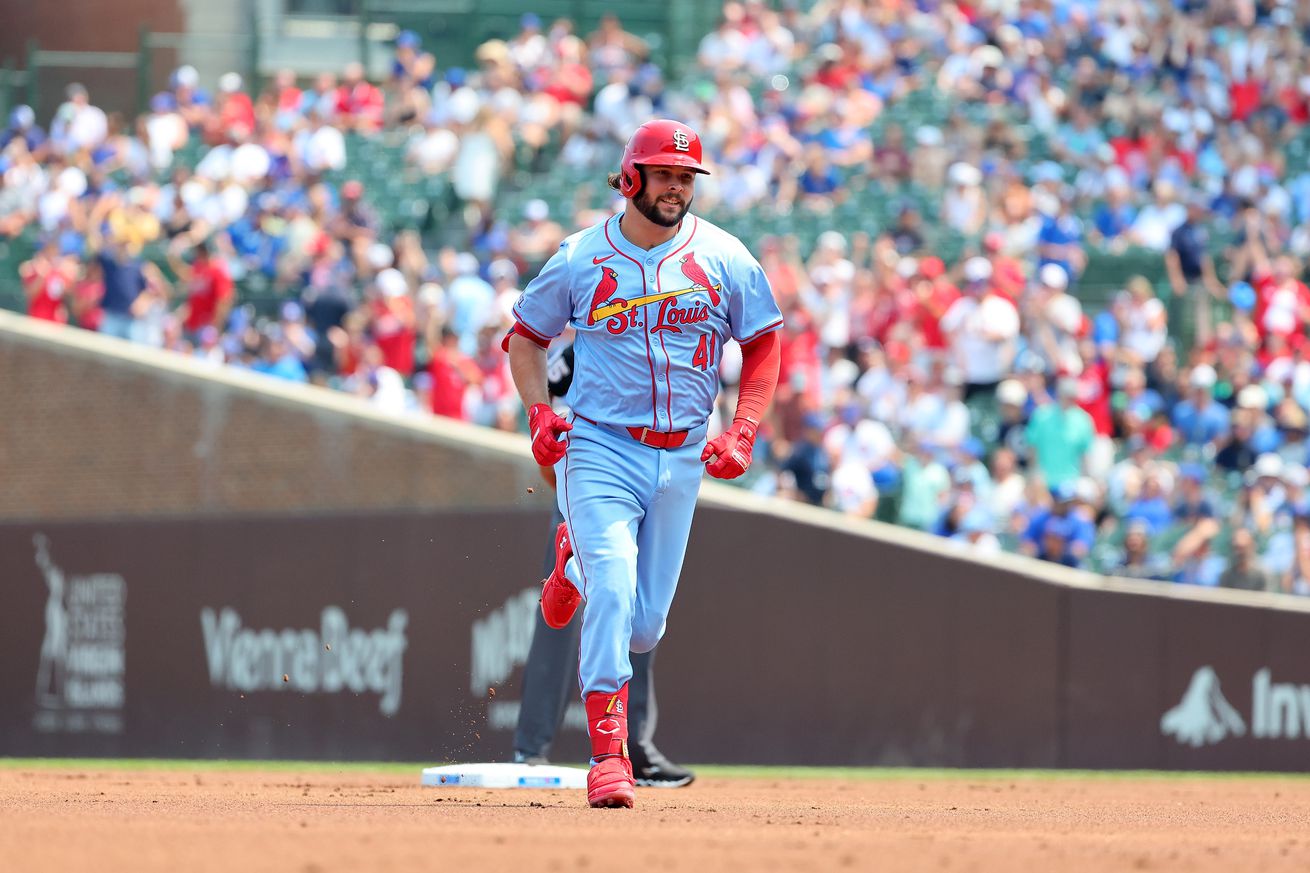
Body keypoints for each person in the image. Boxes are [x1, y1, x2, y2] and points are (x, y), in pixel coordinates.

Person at [503, 119, 782, 808]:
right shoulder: (580, 258)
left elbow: (766, 343)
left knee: (645, 624)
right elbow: (525, 339)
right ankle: (607, 756)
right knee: (618, 583)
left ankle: (569, 565)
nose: (676, 187)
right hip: (600, 445)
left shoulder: (725, 256)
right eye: (663, 174)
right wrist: (540, 414)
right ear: (631, 178)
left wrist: (743, 430)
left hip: (683, 452)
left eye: (686, 177)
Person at [512, 341, 695, 789]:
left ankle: (637, 748)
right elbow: (549, 439)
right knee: (563, 622)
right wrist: (572, 497)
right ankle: (532, 747)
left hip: (652, 478)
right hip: (586, 486)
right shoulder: (570, 360)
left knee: (639, 619)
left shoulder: (665, 349)